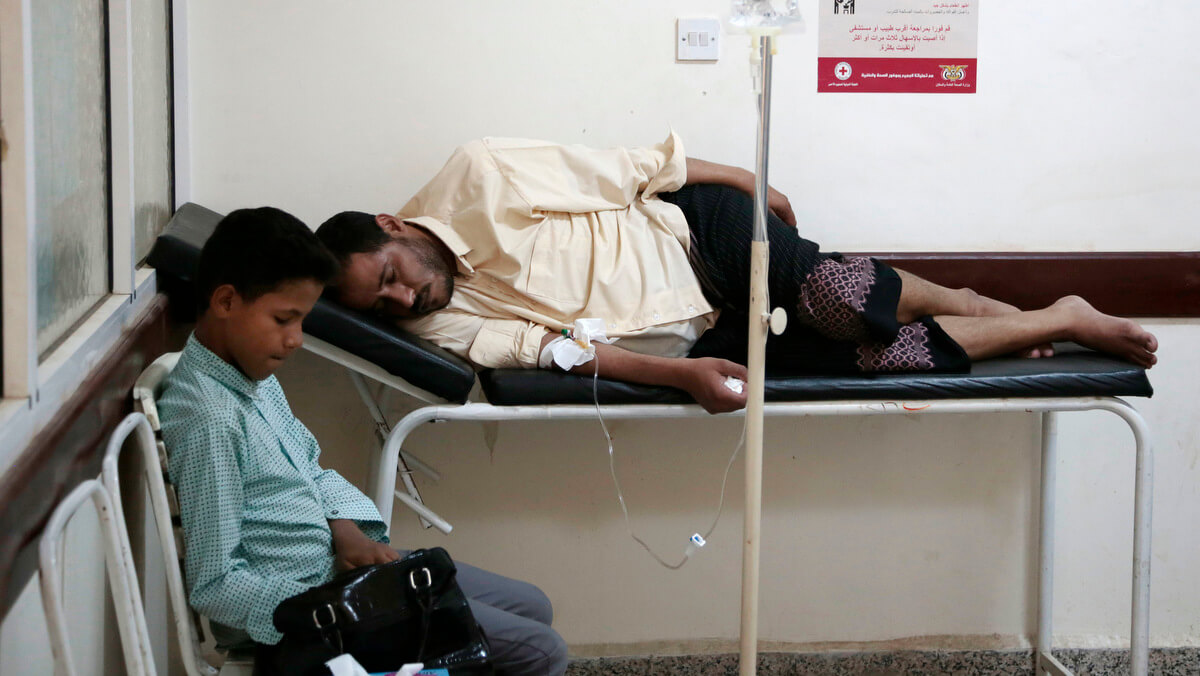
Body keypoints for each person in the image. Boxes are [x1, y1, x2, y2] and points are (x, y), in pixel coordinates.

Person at [315, 133, 1158, 414]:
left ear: (394, 225)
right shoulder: (431, 323)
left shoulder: (479, 173)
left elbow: (633, 165)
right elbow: (548, 352)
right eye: (383, 304)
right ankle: (1056, 315)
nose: (403, 297)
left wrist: (752, 181)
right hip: (702, 332)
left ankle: (971, 297)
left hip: (697, 236)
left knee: (837, 296)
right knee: (887, 354)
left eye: (391, 273)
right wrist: (676, 374)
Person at [157, 207, 567, 675]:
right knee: (541, 651)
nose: (294, 341)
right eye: (283, 319)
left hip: (337, 569)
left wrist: (348, 534)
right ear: (226, 302)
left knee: (533, 605)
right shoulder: (210, 418)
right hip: (311, 611)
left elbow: (310, 470)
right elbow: (215, 583)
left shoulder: (251, 376)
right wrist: (352, 607)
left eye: (302, 322)